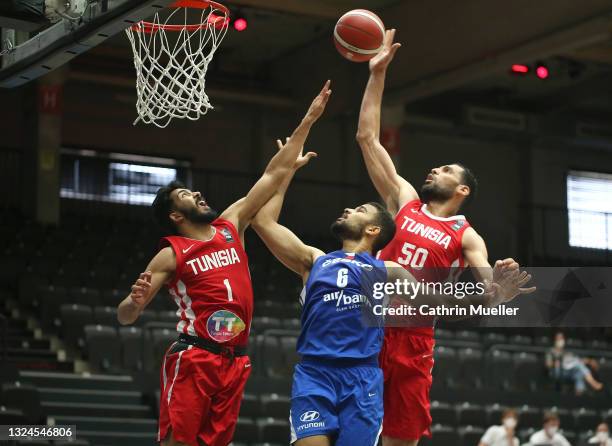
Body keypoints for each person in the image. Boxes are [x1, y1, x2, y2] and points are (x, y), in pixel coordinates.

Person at [251, 133, 526, 446]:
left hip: (364, 374)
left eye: (360, 209)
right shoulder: (314, 260)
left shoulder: (389, 273)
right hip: (317, 374)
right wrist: (285, 167)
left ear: (374, 229)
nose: (349, 209)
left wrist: (491, 297)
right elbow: (262, 221)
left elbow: (440, 303)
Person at [115, 81, 332, 446]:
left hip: (235, 361)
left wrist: (308, 120)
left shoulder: (230, 225)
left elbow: (271, 175)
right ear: (174, 216)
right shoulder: (172, 253)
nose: (197, 194)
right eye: (186, 195)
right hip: (196, 356)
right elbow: (124, 317)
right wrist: (133, 303)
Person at [355, 29, 536, 446]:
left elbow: (487, 292)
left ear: (463, 189)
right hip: (370, 323)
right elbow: (367, 138)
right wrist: (377, 75)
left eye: (446, 170)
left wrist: (501, 291)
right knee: (352, 429)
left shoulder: (467, 235)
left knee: (402, 437)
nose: (434, 170)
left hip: (414, 335)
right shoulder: (405, 200)